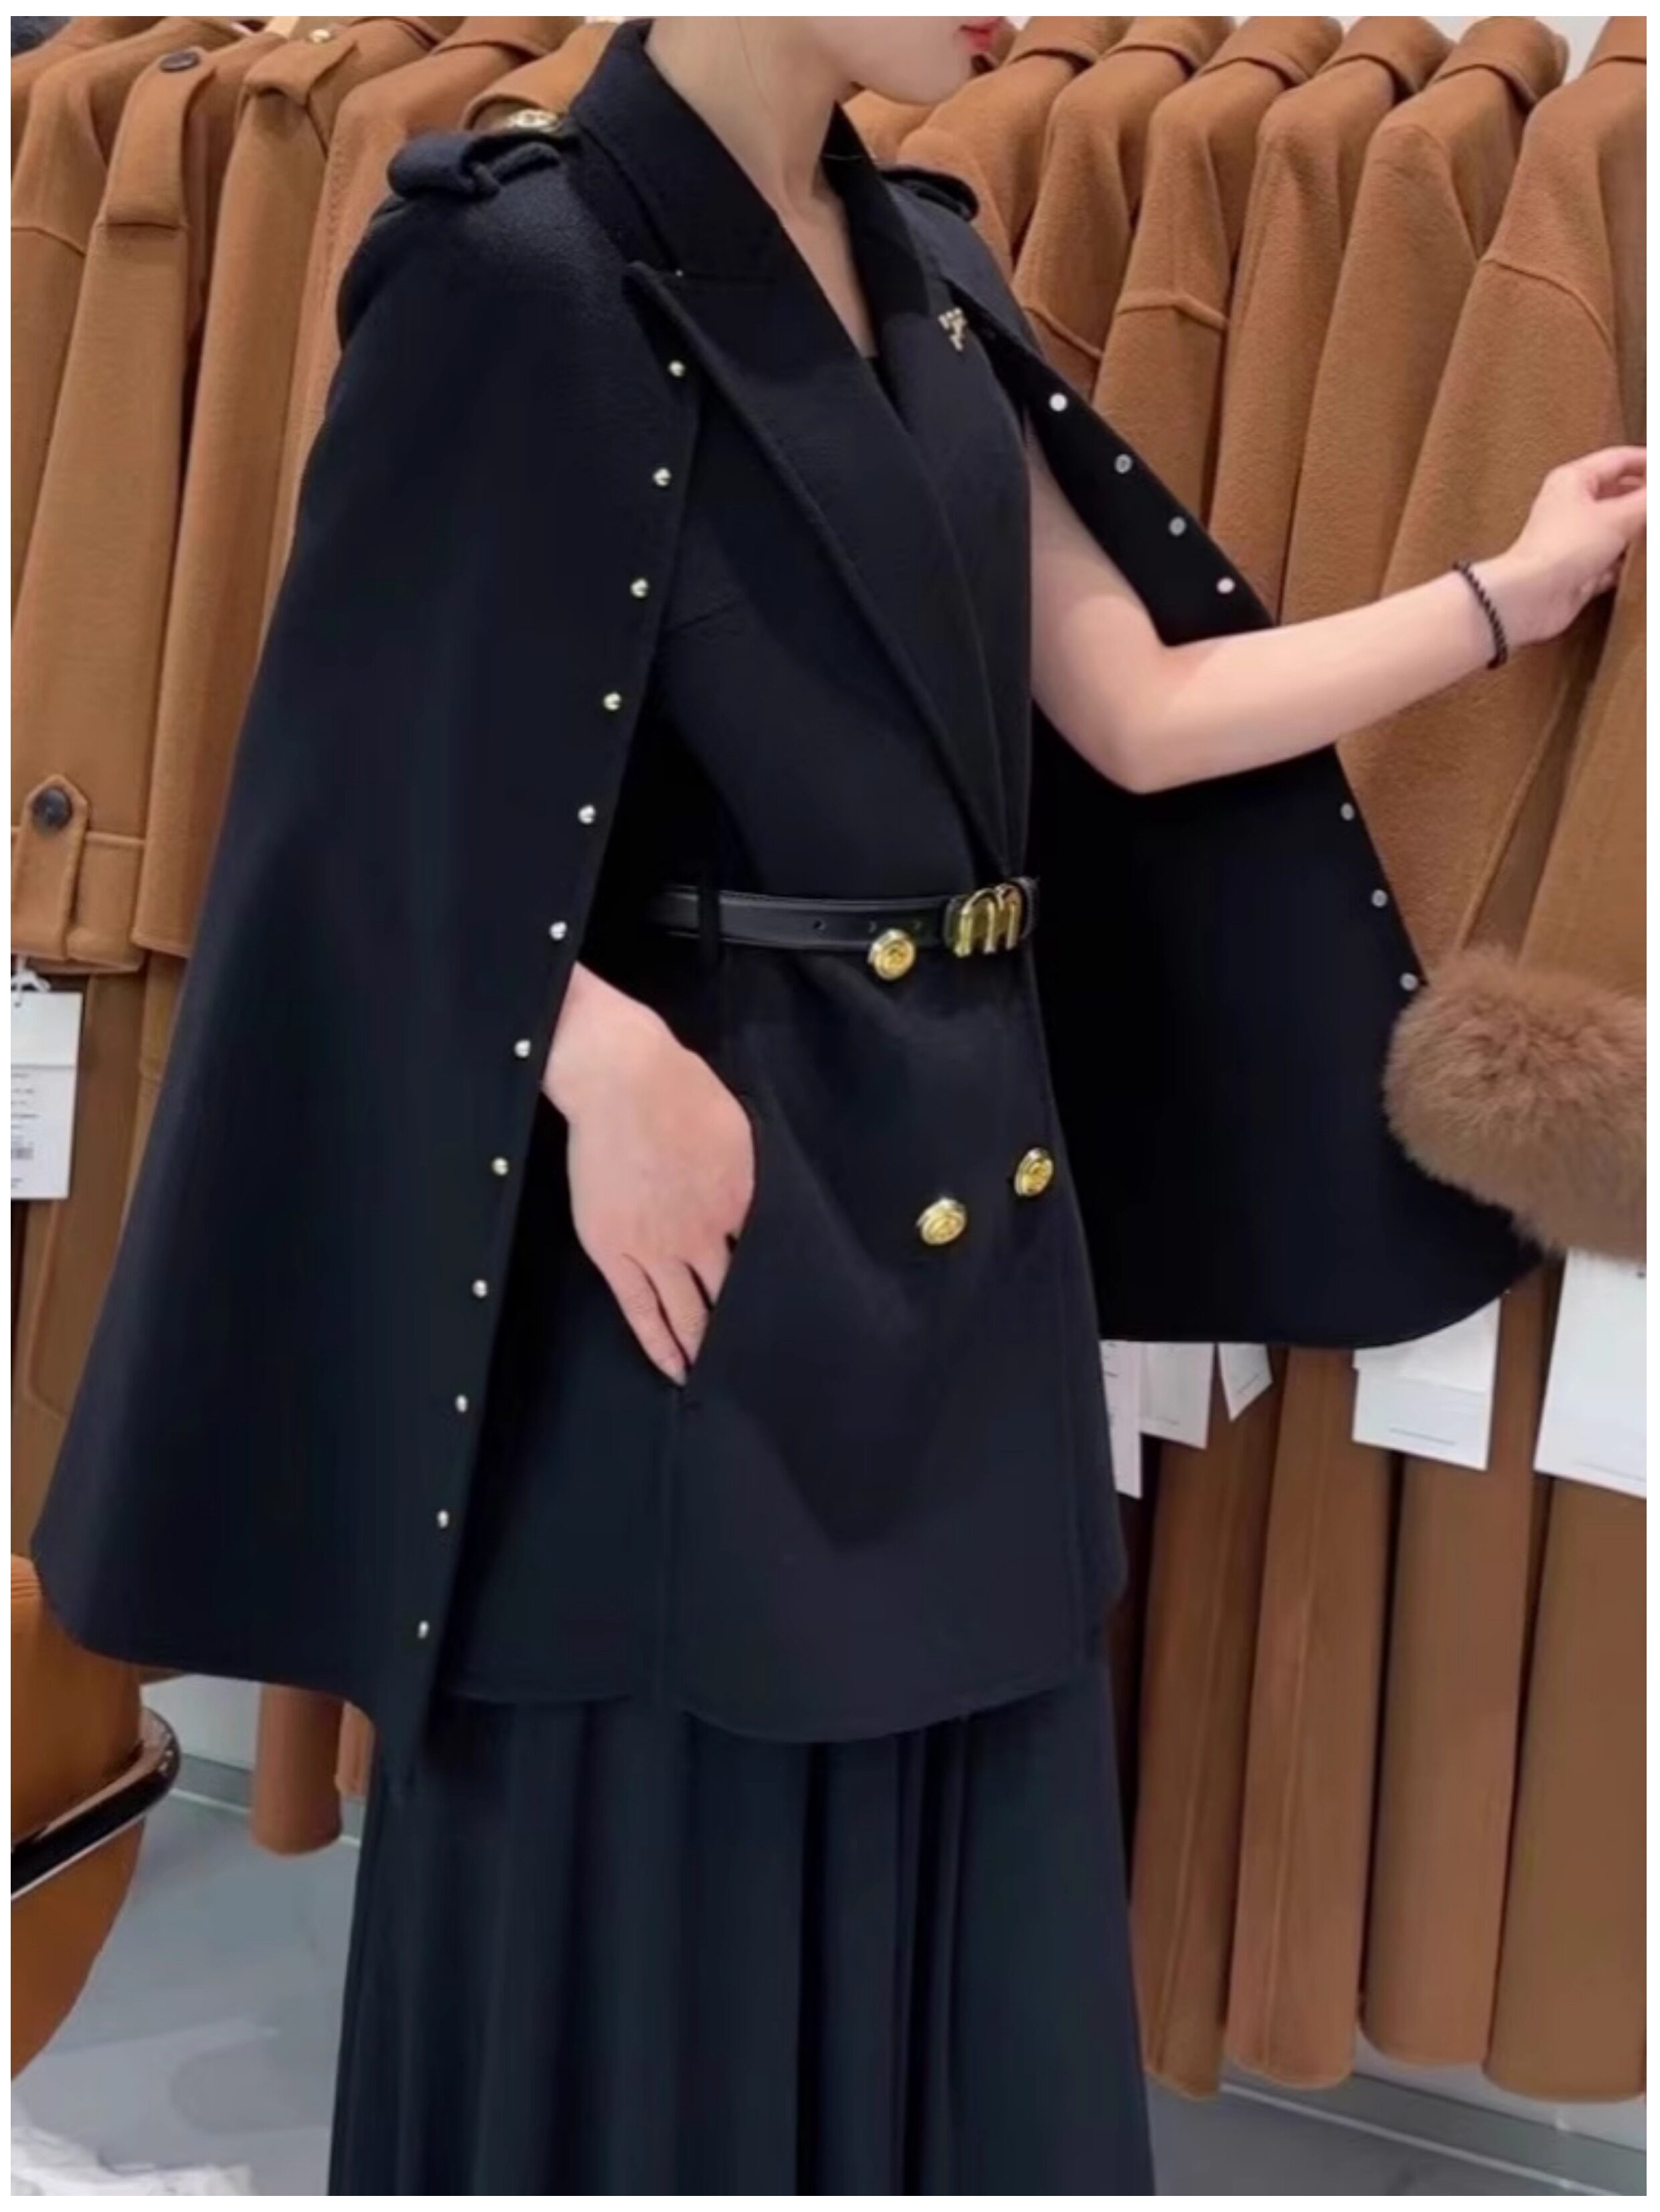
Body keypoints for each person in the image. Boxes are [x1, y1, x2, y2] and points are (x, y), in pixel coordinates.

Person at [30, 16, 1643, 2197]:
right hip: (687, 1256)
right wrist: (591, 1054)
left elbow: (1137, 708)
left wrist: (1498, 600)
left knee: (952, 1928)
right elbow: (333, 793)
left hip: (965, 1217)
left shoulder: (932, 264)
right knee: (661, 1916)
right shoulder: (513, 269)